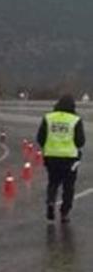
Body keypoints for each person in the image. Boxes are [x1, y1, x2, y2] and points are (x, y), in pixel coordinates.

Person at [37, 95, 86, 223]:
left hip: (51, 157)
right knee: (68, 187)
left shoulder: (48, 118)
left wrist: (48, 148)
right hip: (70, 158)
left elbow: (40, 138)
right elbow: (80, 142)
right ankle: (64, 213)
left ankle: (51, 201)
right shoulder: (75, 120)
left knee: (53, 182)